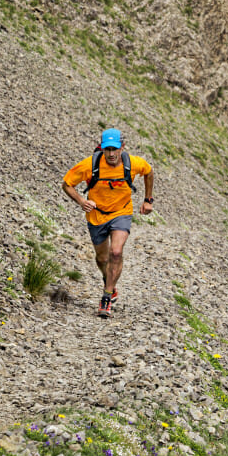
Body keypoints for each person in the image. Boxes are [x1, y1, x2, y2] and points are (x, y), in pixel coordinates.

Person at [62, 128, 154, 317]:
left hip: (122, 212)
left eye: (114, 149)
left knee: (116, 252)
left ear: (122, 146)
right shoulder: (90, 165)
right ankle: (109, 283)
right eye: (107, 149)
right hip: (97, 215)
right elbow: (66, 184)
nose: (111, 154)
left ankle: (106, 297)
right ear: (102, 148)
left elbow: (149, 172)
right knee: (102, 259)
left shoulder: (133, 163)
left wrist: (148, 200)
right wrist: (82, 201)